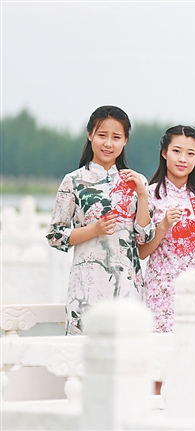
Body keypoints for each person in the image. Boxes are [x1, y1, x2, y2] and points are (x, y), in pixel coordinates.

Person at [46, 105, 154, 335]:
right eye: (102, 135)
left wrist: (143, 193)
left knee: (128, 353)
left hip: (127, 283)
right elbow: (55, 236)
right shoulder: (73, 181)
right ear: (90, 135)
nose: (108, 143)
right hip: (87, 283)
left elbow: (145, 237)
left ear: (125, 140)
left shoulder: (136, 182)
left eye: (116, 137)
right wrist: (93, 230)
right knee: (83, 354)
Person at [139, 125, 195, 334]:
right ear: (164, 153)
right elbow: (142, 252)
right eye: (176, 151)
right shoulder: (148, 195)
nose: (183, 159)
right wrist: (163, 226)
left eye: (190, 153)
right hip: (159, 288)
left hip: (194, 288)